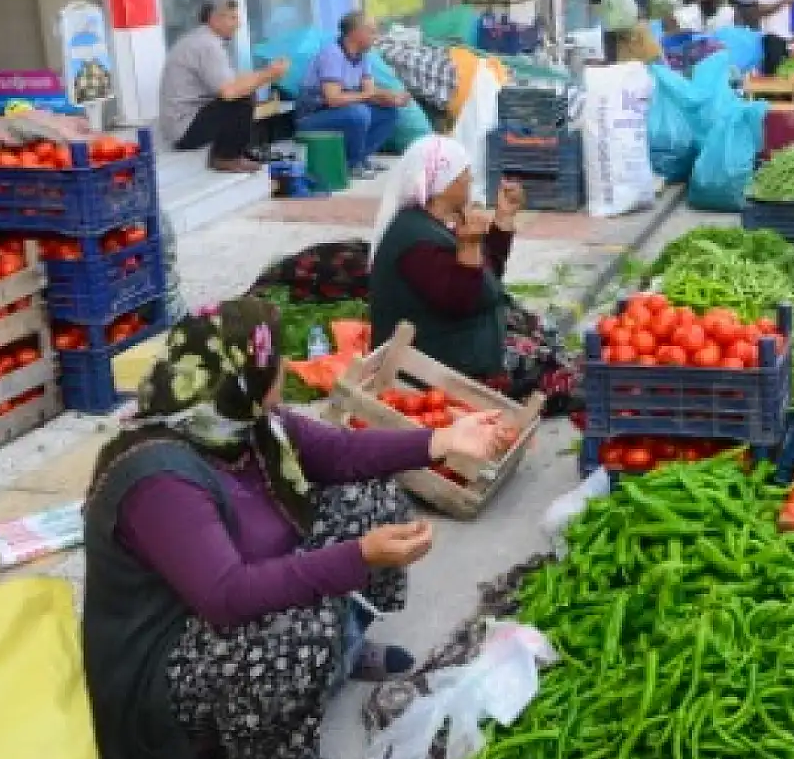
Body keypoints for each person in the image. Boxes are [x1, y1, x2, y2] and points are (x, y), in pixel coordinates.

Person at [81, 298, 513, 759]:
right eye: (274, 362)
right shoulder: (159, 479)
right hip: (166, 664)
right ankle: (253, 741)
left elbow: (342, 454)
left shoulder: (244, 421)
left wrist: (444, 440)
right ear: (241, 377)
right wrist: (357, 557)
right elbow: (227, 596)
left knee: (368, 496)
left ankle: (338, 655)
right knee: (301, 624)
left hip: (230, 592)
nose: (285, 368)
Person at [369, 136, 525, 381]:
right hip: (434, 373)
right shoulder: (417, 242)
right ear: (444, 183)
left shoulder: (436, 226)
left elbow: (487, 281)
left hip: (461, 355)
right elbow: (463, 301)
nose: (470, 180)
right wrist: (470, 246)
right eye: (465, 173)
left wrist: (502, 220)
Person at [157, 0, 288, 173]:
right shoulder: (207, 45)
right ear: (214, 19)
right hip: (183, 128)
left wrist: (266, 73)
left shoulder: (201, 40)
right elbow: (229, 92)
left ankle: (236, 153)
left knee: (246, 90)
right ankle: (226, 157)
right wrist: (268, 75)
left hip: (186, 121)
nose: (238, 24)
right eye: (232, 18)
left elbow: (232, 82)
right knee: (241, 98)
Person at [295, 11, 408, 179]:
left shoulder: (362, 56)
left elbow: (369, 91)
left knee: (389, 113)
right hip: (313, 117)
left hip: (338, 112)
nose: (375, 36)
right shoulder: (332, 54)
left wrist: (391, 98)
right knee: (359, 113)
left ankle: (361, 158)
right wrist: (368, 94)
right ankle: (352, 164)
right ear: (355, 33)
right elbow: (333, 99)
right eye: (371, 31)